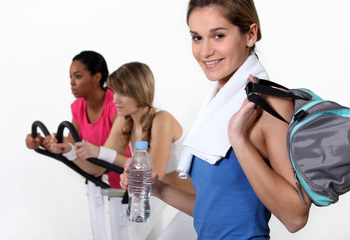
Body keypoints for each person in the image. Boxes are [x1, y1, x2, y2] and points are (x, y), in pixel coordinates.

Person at [120, 1, 312, 239]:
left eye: (218, 35)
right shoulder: (217, 106)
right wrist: (158, 189)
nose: (204, 51)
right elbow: (213, 211)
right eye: (197, 38)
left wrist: (238, 139)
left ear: (250, 34)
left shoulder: (270, 105)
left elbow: (296, 217)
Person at [76, 61, 197, 240]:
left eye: (122, 93)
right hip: (160, 195)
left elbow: (154, 174)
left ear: (139, 92)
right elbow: (98, 167)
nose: (115, 99)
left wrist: (102, 153)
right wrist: (68, 152)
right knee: (131, 234)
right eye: (114, 92)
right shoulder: (124, 120)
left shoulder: (161, 119)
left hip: (193, 202)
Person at [26, 50, 129, 240]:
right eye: (71, 77)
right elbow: (70, 145)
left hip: (127, 185)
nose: (72, 82)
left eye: (78, 76)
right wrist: (43, 142)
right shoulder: (79, 107)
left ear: (97, 77)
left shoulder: (117, 105)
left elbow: (107, 157)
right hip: (100, 183)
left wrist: (67, 147)